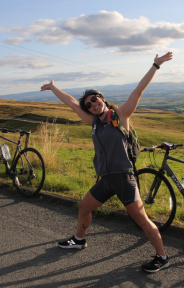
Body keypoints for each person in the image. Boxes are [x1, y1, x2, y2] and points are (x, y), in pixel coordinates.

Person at [40, 52, 173, 273]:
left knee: (141, 219)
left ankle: (162, 256)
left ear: (102, 98)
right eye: (88, 104)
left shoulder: (121, 116)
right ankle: (79, 239)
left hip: (123, 177)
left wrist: (155, 65)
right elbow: (73, 104)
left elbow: (138, 91)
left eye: (95, 99)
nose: (92, 104)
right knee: (84, 207)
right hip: (107, 179)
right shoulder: (94, 123)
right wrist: (54, 89)